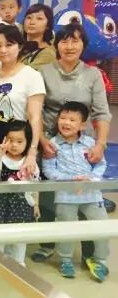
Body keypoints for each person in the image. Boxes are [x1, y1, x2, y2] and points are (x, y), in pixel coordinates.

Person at [32, 23, 112, 263]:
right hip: (50, 143)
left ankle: (89, 252)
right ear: (56, 45)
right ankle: (48, 244)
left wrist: (100, 144)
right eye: (64, 41)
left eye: (75, 41)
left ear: (83, 45)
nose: (69, 46)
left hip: (82, 143)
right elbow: (36, 110)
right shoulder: (44, 72)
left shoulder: (93, 74)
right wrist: (42, 141)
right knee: (49, 195)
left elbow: (102, 113)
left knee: (86, 194)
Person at [42, 102, 109, 282]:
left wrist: (89, 179)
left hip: (92, 195)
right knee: (66, 228)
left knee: (102, 226)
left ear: (82, 125)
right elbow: (49, 170)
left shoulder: (90, 143)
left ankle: (101, 260)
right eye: (63, 118)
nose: (66, 122)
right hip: (65, 195)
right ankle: (65, 260)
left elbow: (101, 165)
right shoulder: (52, 144)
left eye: (72, 120)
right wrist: (70, 180)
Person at [0, 24, 44, 175]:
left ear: (20, 46)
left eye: (9, 45)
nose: (3, 50)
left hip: (16, 139)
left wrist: (32, 152)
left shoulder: (32, 76)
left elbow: (35, 118)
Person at [0, 121, 40, 266]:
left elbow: (35, 186)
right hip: (0, 203)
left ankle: (19, 262)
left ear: (28, 142)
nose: (14, 145)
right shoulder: (1, 158)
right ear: (4, 139)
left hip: (21, 205)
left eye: (19, 141)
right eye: (10, 140)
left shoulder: (29, 162)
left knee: (19, 237)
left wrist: (36, 205)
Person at [21, 3, 56, 69]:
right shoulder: (17, 46)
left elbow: (26, 73)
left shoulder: (48, 53)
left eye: (39, 18)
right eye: (29, 17)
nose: (32, 22)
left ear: (48, 25)